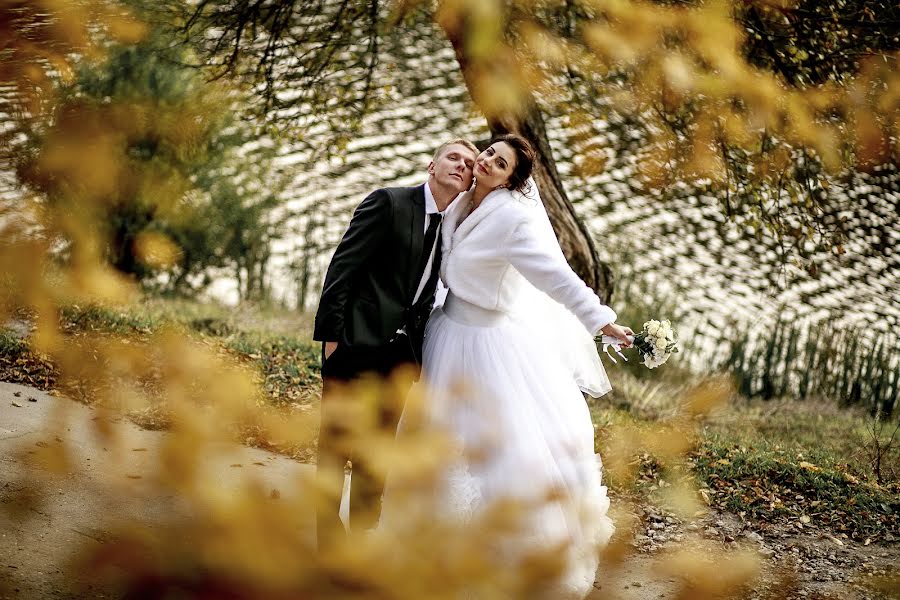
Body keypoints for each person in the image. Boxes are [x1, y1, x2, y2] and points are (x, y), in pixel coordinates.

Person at [380, 134, 633, 598]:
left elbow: (558, 277)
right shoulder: (460, 202)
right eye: (489, 153)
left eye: (500, 163)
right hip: (445, 332)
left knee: (490, 451)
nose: (487, 162)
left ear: (513, 181)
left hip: (486, 346)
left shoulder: (516, 222)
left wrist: (602, 321)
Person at [313, 138, 478, 541]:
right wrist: (331, 341)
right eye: (453, 157)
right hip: (355, 345)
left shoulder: (453, 228)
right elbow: (342, 270)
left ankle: (361, 538)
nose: (461, 165)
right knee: (336, 445)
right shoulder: (388, 203)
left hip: (403, 357)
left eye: (469, 163)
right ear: (431, 165)